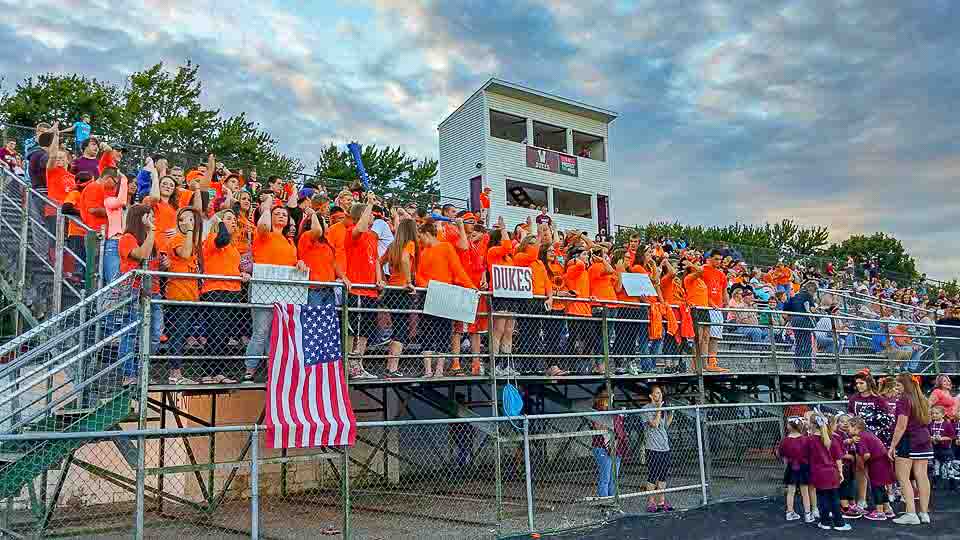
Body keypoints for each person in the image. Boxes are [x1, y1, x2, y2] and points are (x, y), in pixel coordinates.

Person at [243, 196, 305, 383]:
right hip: (264, 290)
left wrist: (300, 262)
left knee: (277, 334)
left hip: (284, 293)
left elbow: (293, 263)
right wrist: (268, 208)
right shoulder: (264, 234)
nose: (281, 217)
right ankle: (250, 370)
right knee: (260, 331)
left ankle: (273, 369)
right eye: (277, 214)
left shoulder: (290, 242)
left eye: (284, 215)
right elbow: (262, 225)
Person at [415, 221, 475, 377]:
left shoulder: (446, 247)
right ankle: (428, 370)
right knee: (426, 331)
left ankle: (439, 370)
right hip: (428, 294)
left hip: (444, 294)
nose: (419, 240)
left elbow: (457, 269)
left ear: (427, 234)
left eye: (420, 236)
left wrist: (471, 286)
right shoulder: (423, 252)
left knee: (443, 331)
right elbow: (418, 274)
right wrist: (426, 285)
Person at [116, 204, 163, 386]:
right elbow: (142, 254)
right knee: (131, 333)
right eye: (149, 217)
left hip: (153, 291)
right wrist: (152, 230)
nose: (153, 220)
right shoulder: (127, 238)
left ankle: (143, 370)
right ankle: (130, 374)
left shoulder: (151, 238)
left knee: (155, 332)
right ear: (140, 218)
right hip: (132, 290)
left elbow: (154, 263)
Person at [344, 194, 384, 379]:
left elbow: (375, 259)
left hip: (370, 290)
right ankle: (350, 364)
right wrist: (368, 203)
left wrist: (379, 279)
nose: (374, 217)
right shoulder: (353, 231)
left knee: (366, 330)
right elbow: (359, 227)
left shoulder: (373, 237)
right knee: (356, 329)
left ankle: (358, 364)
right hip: (357, 289)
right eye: (370, 214)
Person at [164, 207, 205, 385]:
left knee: (183, 334)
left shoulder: (194, 242)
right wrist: (189, 230)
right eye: (181, 219)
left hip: (190, 295)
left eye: (189, 219)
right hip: (177, 295)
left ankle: (177, 372)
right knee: (178, 335)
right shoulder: (178, 239)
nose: (184, 222)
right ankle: (175, 374)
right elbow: (185, 254)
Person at [888, 372, 933, 525]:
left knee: (903, 477)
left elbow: (901, 425)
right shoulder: (923, 399)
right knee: (922, 476)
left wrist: (892, 445)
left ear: (906, 385)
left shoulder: (903, 400)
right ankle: (924, 513)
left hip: (909, 440)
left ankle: (911, 514)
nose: (897, 388)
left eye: (899, 385)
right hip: (924, 439)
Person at [379, 218, 417, 378]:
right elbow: (404, 259)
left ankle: (391, 366)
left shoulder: (392, 245)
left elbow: (379, 262)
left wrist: (383, 280)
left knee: (397, 328)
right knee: (401, 330)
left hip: (391, 289)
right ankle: (392, 368)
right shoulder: (410, 244)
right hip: (402, 290)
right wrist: (409, 281)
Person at [848, 417, 895, 521]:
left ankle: (879, 512)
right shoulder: (868, 434)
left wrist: (861, 465)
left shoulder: (860, 437)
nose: (848, 430)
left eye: (849, 427)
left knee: (876, 487)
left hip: (877, 463)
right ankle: (887, 508)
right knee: (881, 487)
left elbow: (866, 455)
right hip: (883, 461)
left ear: (856, 428)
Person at [807, 413, 848, 531]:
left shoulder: (809, 440)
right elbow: (838, 459)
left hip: (818, 473)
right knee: (835, 498)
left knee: (822, 499)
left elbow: (805, 457)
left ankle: (825, 522)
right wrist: (840, 473)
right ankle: (840, 523)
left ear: (813, 425)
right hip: (832, 472)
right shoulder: (833, 440)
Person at [641, 385, 674, 513]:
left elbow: (664, 426)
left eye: (660, 393)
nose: (659, 395)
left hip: (664, 447)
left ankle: (661, 501)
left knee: (663, 477)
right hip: (653, 447)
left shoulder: (662, 409)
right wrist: (659, 408)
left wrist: (671, 413)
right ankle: (651, 502)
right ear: (651, 396)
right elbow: (654, 424)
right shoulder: (646, 409)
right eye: (656, 393)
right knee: (653, 475)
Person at [590, 390, 626, 499]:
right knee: (605, 477)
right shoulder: (596, 411)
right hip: (601, 447)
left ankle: (613, 500)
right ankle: (605, 500)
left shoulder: (613, 412)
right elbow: (598, 426)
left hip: (615, 446)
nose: (612, 399)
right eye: (609, 397)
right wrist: (612, 425)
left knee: (613, 477)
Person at [775, 416, 811, 521]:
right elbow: (810, 453)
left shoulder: (785, 441)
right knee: (805, 491)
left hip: (791, 467)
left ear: (789, 426)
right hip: (803, 467)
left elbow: (780, 454)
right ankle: (808, 514)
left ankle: (790, 513)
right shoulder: (806, 440)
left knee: (791, 491)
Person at [701, 250, 729, 372]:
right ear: (710, 258)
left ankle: (712, 362)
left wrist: (726, 303)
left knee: (715, 338)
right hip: (706, 307)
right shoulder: (702, 270)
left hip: (717, 308)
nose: (718, 262)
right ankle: (701, 364)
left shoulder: (721, 274)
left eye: (720, 259)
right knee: (705, 337)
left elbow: (724, 290)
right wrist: (710, 303)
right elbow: (699, 289)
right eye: (716, 259)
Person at [784, 280, 818, 372]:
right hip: (804, 320)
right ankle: (807, 367)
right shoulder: (808, 296)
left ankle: (798, 367)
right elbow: (812, 309)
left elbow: (786, 310)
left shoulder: (794, 296)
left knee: (799, 343)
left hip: (794, 321)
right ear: (812, 290)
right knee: (807, 344)